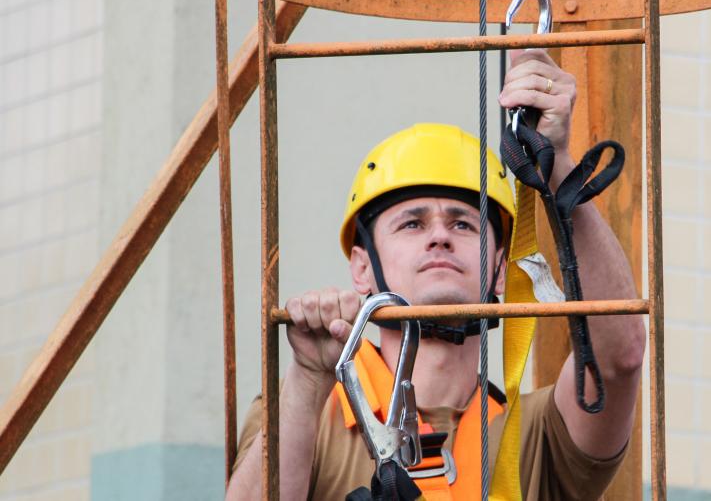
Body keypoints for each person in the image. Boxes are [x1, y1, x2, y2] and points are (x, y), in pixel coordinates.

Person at [225, 49, 645, 500]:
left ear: (500, 272)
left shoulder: (537, 434)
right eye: (413, 223)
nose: (440, 237)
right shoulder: (305, 412)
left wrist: (557, 164)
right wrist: (308, 380)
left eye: (463, 224)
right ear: (362, 268)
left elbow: (619, 355)